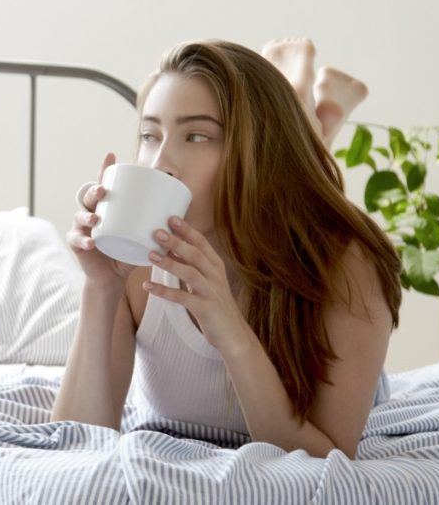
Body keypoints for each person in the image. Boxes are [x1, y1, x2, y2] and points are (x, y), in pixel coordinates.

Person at [52, 38, 402, 459]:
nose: (160, 162)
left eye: (197, 136)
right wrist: (101, 289)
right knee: (293, 168)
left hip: (301, 257)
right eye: (150, 134)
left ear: (257, 149)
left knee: (301, 189)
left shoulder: (348, 267)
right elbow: (74, 445)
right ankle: (310, 107)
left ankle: (304, 100)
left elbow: (325, 459)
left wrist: (231, 331)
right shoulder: (136, 259)